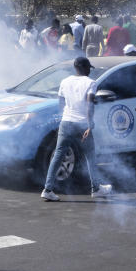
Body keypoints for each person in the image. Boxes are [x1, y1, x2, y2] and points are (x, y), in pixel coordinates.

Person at [41, 57, 112, 201]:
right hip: (81, 124)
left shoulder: (64, 82)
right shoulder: (91, 83)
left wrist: (64, 117)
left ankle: (47, 189)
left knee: (58, 155)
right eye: (89, 68)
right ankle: (96, 188)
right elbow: (90, 105)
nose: (89, 71)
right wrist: (89, 124)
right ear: (85, 68)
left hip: (66, 122)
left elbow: (61, 103)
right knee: (90, 156)